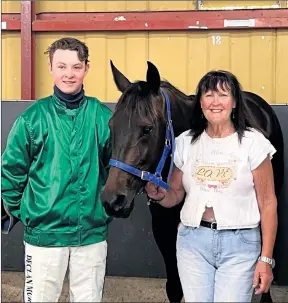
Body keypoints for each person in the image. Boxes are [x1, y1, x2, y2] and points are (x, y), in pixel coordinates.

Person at [145, 70, 277, 302]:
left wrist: (265, 259)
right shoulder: (185, 142)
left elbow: (267, 203)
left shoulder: (254, 143)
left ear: (235, 102)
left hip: (240, 243)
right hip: (193, 242)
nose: (215, 102)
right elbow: (175, 194)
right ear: (200, 102)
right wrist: (159, 195)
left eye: (223, 95)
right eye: (209, 95)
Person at [1, 37, 112, 302]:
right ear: (50, 68)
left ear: (86, 68)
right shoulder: (31, 119)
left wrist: (100, 209)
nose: (69, 74)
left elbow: (115, 168)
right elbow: (11, 174)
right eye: (61, 66)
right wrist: (31, 215)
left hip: (91, 236)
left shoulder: (102, 117)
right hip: (44, 239)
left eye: (76, 67)